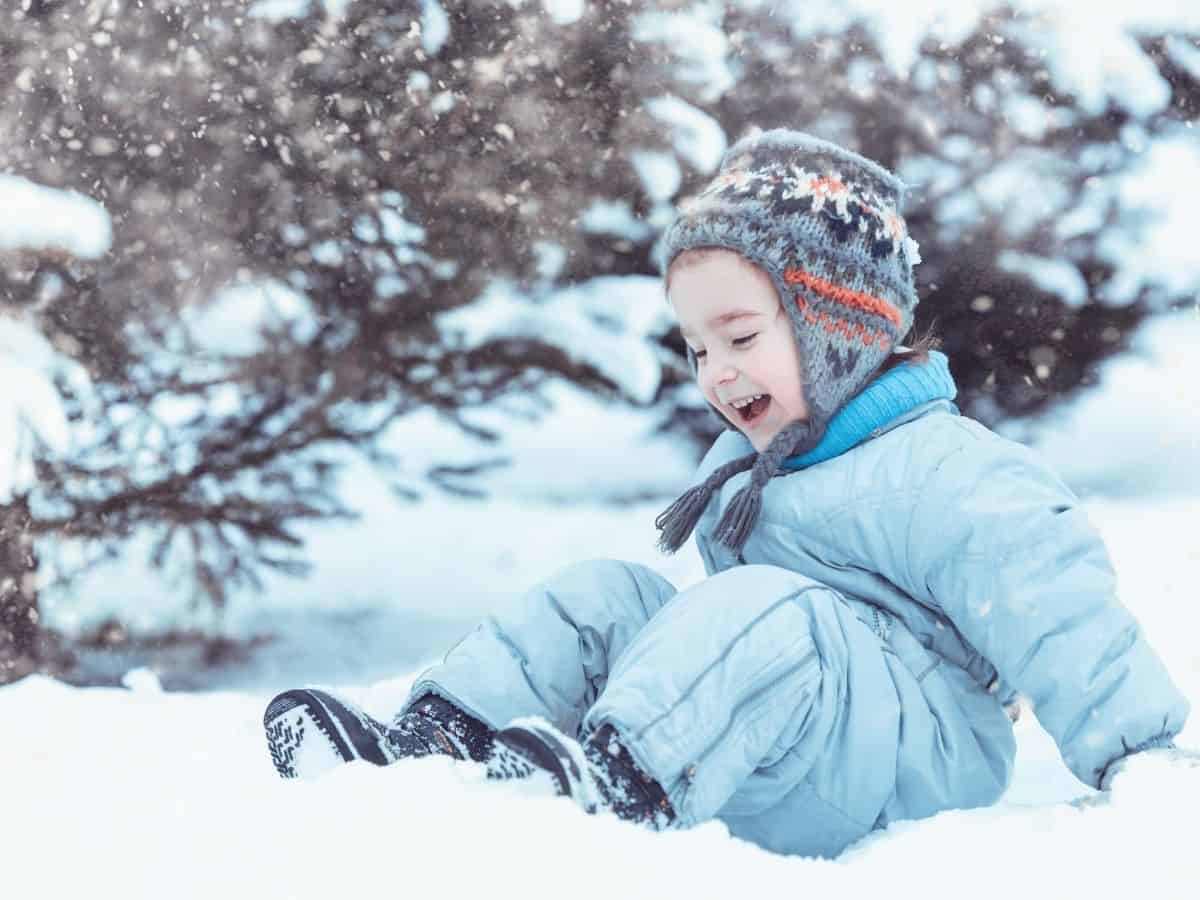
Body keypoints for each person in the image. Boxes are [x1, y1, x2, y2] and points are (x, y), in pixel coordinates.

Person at [263, 129, 1195, 858]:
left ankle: (621, 785)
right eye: (698, 347)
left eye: (741, 337)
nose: (716, 371)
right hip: (765, 740)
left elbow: (1061, 613)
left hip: (912, 757)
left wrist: (1143, 761)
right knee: (610, 595)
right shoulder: (751, 466)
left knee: (764, 608)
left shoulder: (950, 470)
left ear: (835, 329)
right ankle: (433, 745)